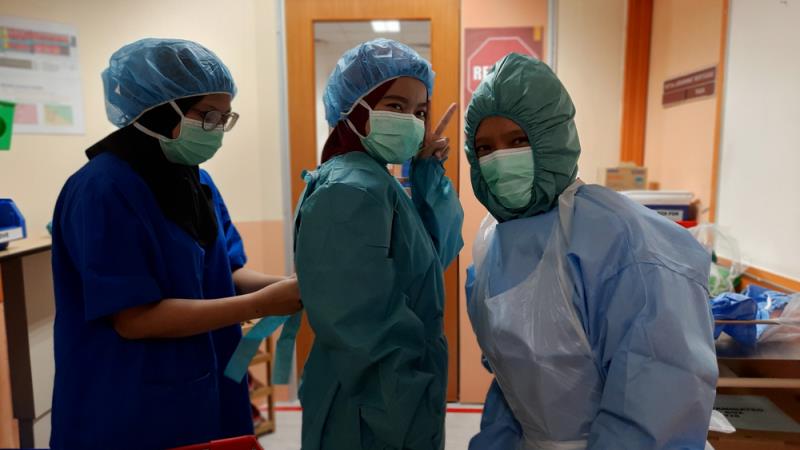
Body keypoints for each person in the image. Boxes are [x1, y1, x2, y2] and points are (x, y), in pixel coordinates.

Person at [50, 38, 302, 450]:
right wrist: (261, 306)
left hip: (208, 388)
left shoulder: (195, 179)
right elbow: (135, 318)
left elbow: (229, 272)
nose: (218, 129)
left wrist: (289, 286)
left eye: (226, 117)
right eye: (209, 116)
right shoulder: (102, 190)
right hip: (130, 403)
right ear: (158, 109)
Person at [463, 53, 718, 449]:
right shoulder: (488, 250)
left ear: (552, 138)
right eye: (484, 148)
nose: (500, 160)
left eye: (518, 140)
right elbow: (513, 387)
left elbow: (656, 396)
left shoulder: (623, 239)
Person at [293, 38, 464, 449]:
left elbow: (431, 259)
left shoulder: (375, 181)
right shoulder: (351, 190)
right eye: (395, 105)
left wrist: (424, 172)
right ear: (354, 105)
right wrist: (405, 412)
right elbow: (362, 332)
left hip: (388, 396)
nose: (411, 120)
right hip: (374, 409)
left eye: (419, 111)